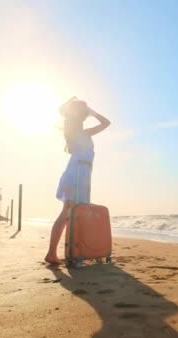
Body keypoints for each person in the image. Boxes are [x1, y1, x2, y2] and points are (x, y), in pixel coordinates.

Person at [44, 97, 110, 265]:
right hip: (77, 174)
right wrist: (83, 109)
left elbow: (107, 122)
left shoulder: (84, 133)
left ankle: (80, 249)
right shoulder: (74, 133)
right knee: (69, 212)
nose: (86, 116)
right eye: (85, 114)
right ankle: (54, 253)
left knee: (76, 213)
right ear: (78, 116)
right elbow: (104, 123)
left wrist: (90, 111)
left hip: (84, 174)